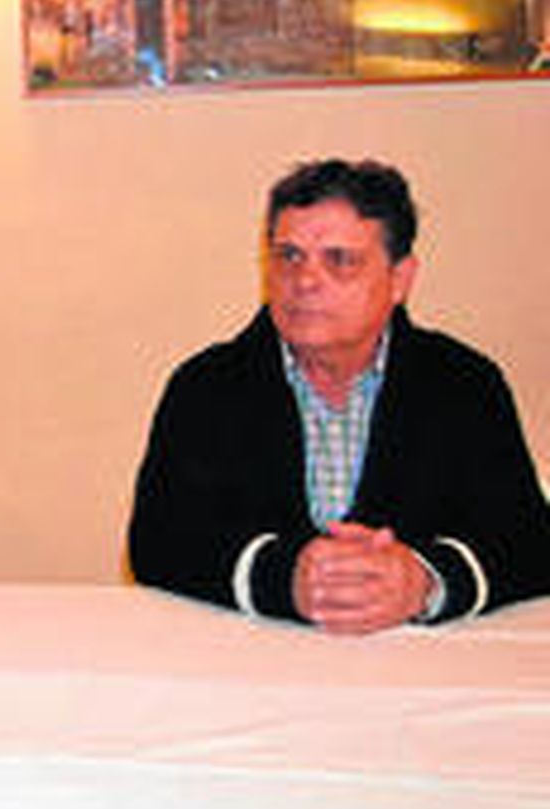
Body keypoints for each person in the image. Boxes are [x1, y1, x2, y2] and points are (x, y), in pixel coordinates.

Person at [129, 159, 550, 633]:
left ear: (399, 279)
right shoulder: (207, 386)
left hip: (419, 665)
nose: (305, 281)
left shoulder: (464, 384)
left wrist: (425, 581)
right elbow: (158, 542)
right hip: (252, 663)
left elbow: (529, 543)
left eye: (340, 260)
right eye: (289, 256)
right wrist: (284, 578)